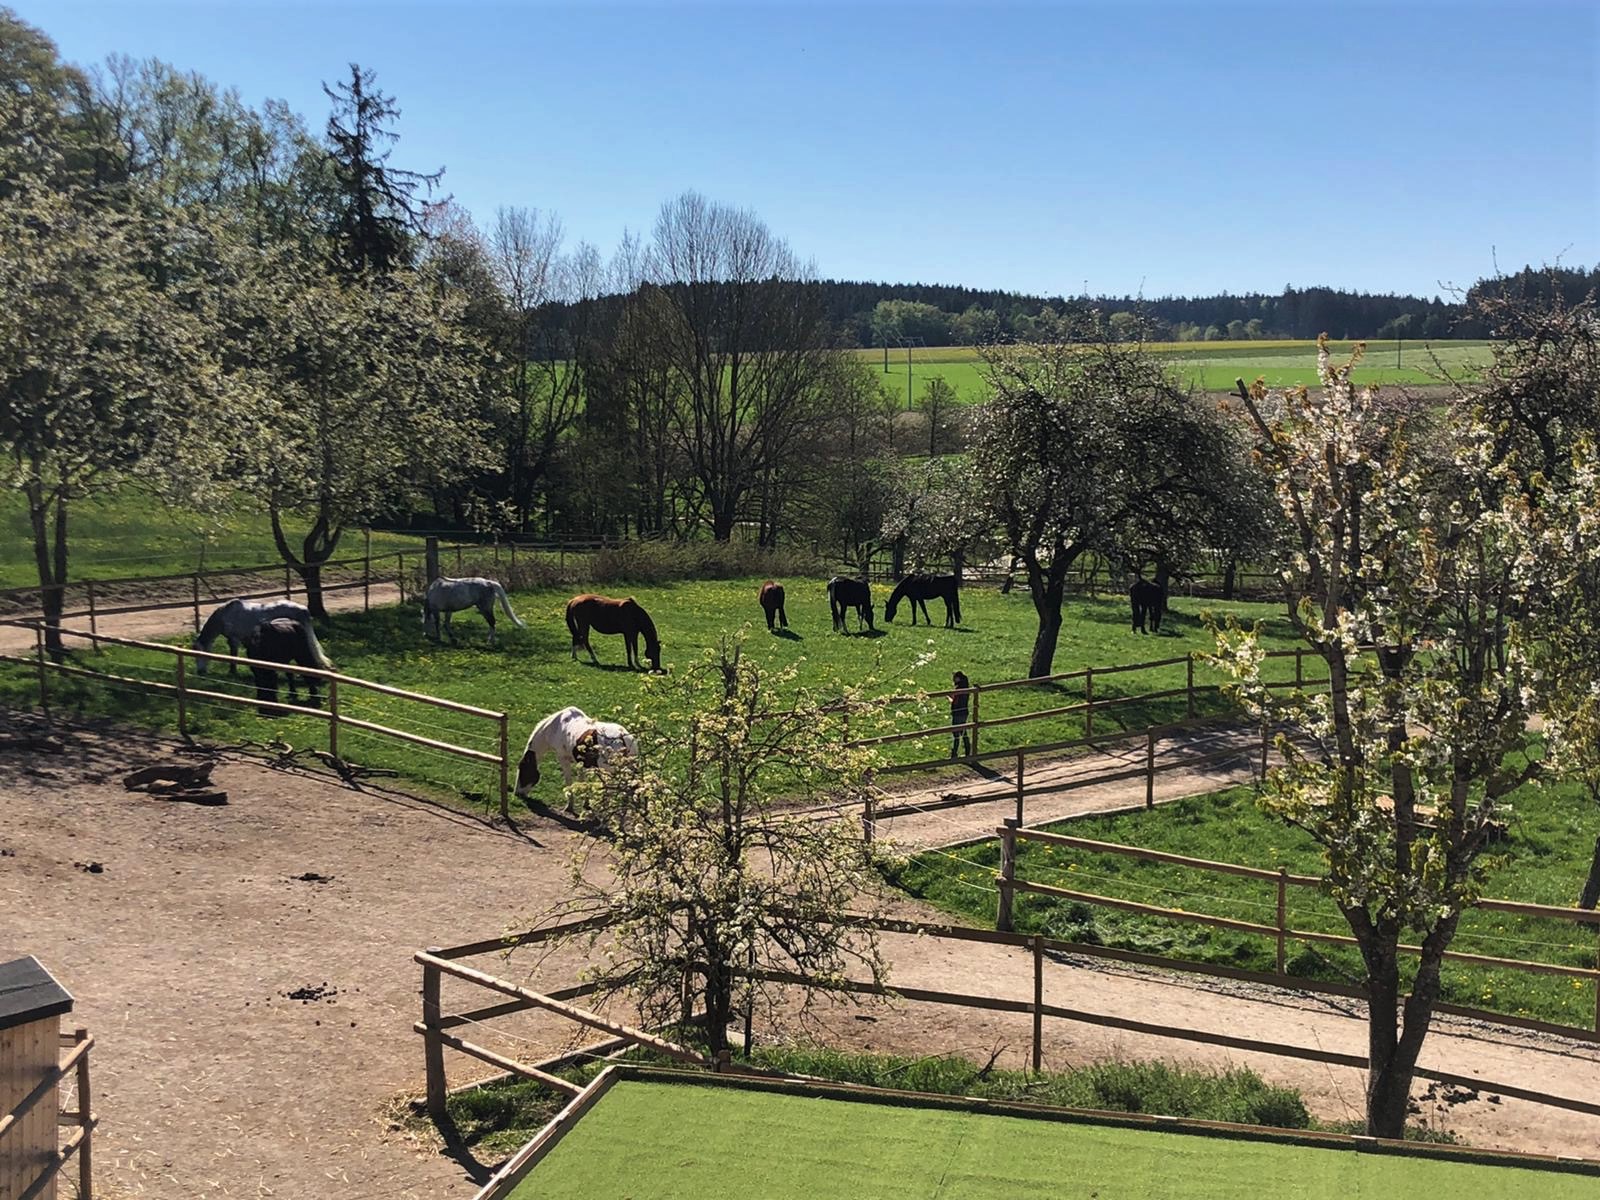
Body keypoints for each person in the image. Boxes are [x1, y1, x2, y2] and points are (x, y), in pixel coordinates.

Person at [950, 671, 972, 759]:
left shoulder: (958, 689)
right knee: (963, 732)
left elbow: (955, 701)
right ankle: (967, 751)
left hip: (957, 713)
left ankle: (954, 753)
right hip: (964, 712)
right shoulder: (966, 689)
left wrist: (949, 697)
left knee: (956, 734)